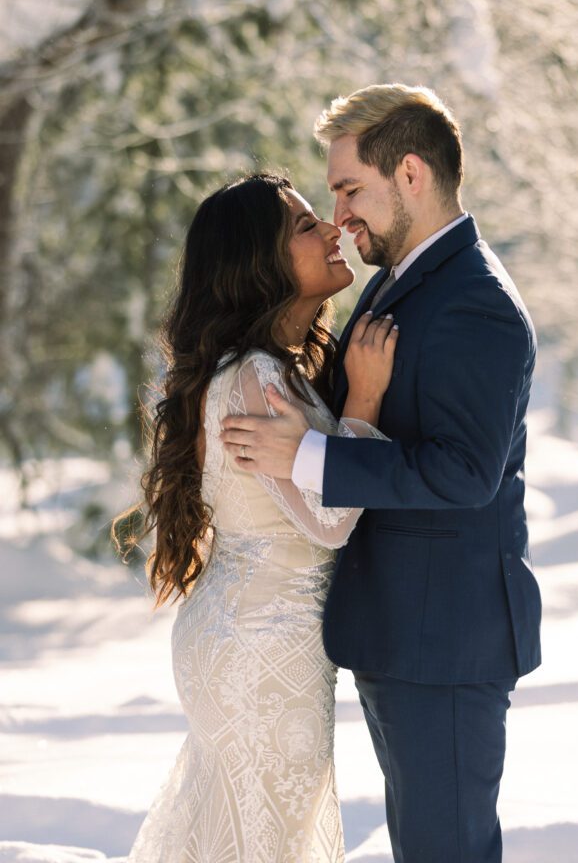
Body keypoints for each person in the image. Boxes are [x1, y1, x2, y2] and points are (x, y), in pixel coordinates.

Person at [221, 84, 542, 863]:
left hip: (445, 647)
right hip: (401, 636)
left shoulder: (475, 303)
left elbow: (465, 474)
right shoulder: (401, 283)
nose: (340, 217)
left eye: (349, 190)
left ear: (409, 175)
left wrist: (306, 456)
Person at [125, 174, 398, 863]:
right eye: (307, 226)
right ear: (261, 262)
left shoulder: (273, 370)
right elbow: (329, 523)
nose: (333, 231)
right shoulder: (254, 377)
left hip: (253, 636)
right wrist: (363, 405)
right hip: (261, 648)